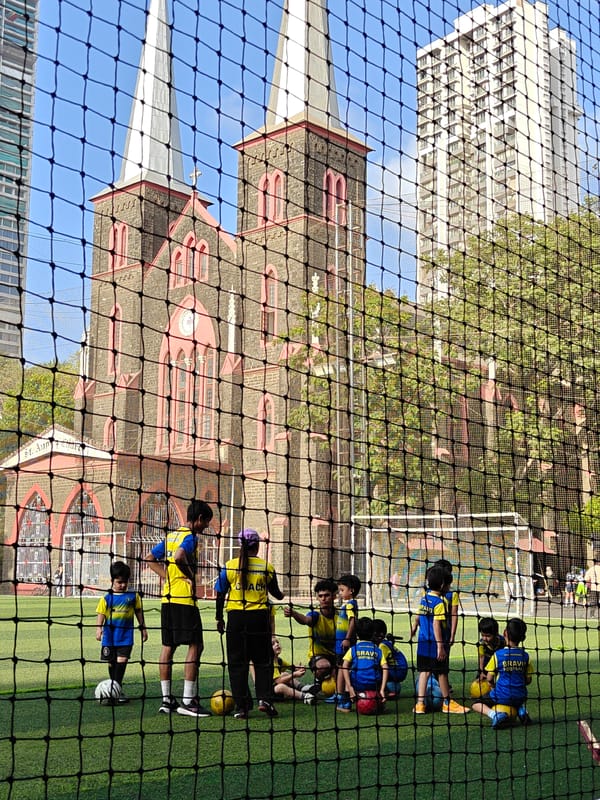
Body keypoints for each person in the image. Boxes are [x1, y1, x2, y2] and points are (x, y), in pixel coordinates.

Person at [144, 499, 214, 717]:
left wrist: (167, 578)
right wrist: (190, 577)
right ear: (199, 519)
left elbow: (149, 558)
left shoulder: (171, 536)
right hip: (184, 599)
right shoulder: (190, 537)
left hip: (167, 599)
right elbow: (179, 556)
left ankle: (166, 700)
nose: (206, 527)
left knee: (169, 646)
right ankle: (187, 701)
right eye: (206, 523)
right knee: (196, 645)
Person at [215, 528, 284, 719]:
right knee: (263, 661)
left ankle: (242, 707)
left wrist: (219, 618)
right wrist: (282, 596)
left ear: (240, 546)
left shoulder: (230, 566)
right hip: (259, 619)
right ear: (258, 546)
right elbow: (276, 593)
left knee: (238, 664)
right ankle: (265, 700)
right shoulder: (266, 567)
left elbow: (220, 594)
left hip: (236, 620)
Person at [409, 565, 469, 715]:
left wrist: (414, 627)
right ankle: (447, 703)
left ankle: (420, 704)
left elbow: (418, 616)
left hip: (423, 643)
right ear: (443, 585)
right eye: (448, 585)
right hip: (435, 644)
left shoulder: (424, 599)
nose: (449, 588)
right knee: (442, 672)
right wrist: (440, 646)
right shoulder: (439, 603)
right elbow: (437, 624)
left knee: (424, 672)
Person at [95, 560, 147, 704]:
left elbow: (138, 612)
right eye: (119, 582)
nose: (122, 585)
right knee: (112, 663)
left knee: (122, 662)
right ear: (112, 581)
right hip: (110, 637)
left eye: (125, 582)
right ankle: (114, 689)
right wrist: (98, 628)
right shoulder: (107, 598)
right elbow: (101, 614)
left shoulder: (133, 597)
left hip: (126, 637)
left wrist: (143, 628)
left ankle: (116, 690)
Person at [471, 617, 534, 728]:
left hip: (502, 695)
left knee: (476, 704)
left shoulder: (498, 655)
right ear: (523, 637)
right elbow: (528, 680)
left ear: (504, 633)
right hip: (521, 695)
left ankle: (495, 715)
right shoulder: (526, 656)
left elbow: (490, 678)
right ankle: (521, 710)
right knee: (515, 697)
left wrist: (494, 686)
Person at [284, 579, 339, 694]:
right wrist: (294, 614)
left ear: (334, 596)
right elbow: (306, 620)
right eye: (320, 596)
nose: (323, 599)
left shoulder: (340, 615)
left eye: (327, 595)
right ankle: (318, 680)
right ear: (317, 598)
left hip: (338, 655)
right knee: (324, 666)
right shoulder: (315, 615)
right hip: (318, 656)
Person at [338, 617, 388, 712]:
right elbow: (385, 668)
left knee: (346, 671)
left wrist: (350, 686)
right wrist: (382, 689)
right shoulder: (378, 650)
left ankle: (345, 704)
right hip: (374, 684)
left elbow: (345, 666)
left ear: (356, 634)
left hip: (358, 683)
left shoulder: (353, 649)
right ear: (373, 633)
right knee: (378, 670)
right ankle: (380, 702)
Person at [333, 574, 361, 702]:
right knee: (343, 666)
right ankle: (343, 692)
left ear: (351, 590)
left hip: (344, 642)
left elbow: (353, 621)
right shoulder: (349, 604)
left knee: (341, 667)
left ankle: (340, 694)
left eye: (342, 590)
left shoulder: (350, 605)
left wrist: (347, 638)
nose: (340, 593)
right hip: (342, 641)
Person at [271, 637, 316, 705]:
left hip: (275, 688)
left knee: (285, 674)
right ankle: (304, 697)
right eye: (273, 644)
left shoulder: (279, 660)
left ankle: (302, 688)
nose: (277, 644)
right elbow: (278, 681)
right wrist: (294, 675)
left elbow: (292, 667)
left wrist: (298, 668)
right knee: (281, 686)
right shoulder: (271, 663)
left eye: (277, 642)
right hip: (270, 694)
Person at [372, 618, 408, 698]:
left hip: (398, 670)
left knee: (376, 668)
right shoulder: (384, 643)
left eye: (373, 634)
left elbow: (379, 662)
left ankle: (384, 691)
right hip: (397, 669)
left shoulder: (382, 646)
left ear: (380, 635)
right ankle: (390, 688)